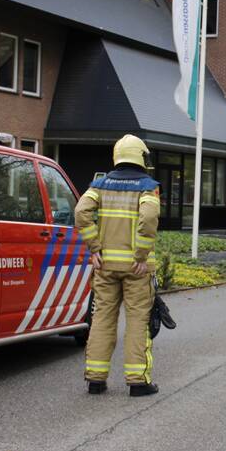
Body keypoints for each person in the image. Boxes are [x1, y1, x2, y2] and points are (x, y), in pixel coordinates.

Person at [75, 134, 161, 396]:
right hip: (137, 270)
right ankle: (137, 382)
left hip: (106, 267)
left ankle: (96, 380)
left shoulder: (99, 185)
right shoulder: (148, 186)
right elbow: (148, 217)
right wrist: (141, 255)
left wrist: (94, 248)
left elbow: (81, 212)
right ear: (140, 157)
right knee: (137, 321)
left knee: (102, 319)